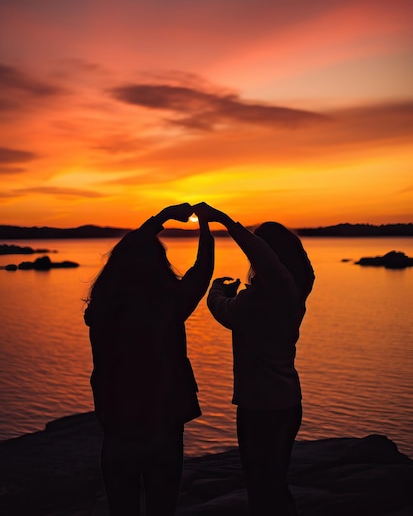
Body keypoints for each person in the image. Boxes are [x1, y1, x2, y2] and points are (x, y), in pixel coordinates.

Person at [84, 203, 214, 516]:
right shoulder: (169, 305)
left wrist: (161, 218)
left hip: (117, 422)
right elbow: (201, 270)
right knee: (162, 506)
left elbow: (131, 251)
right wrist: (206, 226)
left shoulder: (102, 307)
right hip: (164, 422)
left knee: (122, 508)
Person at [193, 202, 314, 516]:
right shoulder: (292, 294)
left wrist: (224, 223)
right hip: (287, 404)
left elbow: (223, 309)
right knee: (274, 484)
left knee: (261, 488)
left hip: (260, 408)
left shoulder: (264, 297)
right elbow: (236, 306)